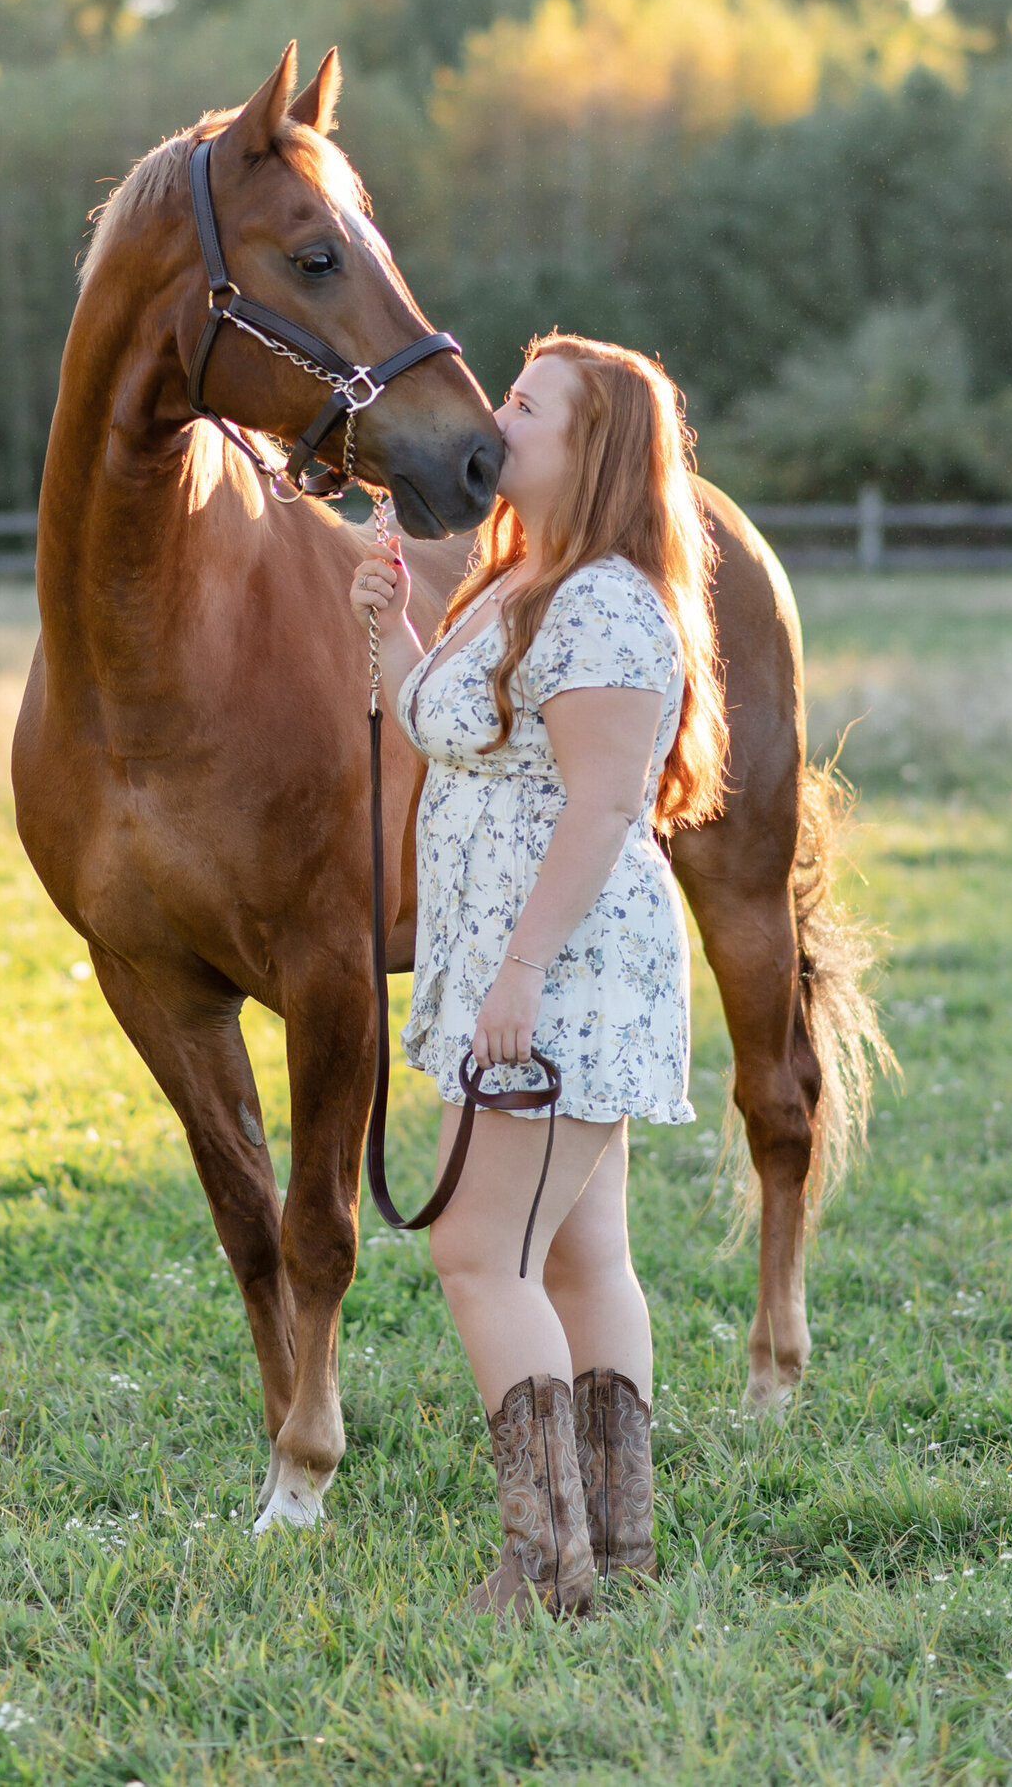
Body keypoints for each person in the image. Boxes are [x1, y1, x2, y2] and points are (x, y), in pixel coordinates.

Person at [348, 330, 728, 1619]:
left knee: (475, 1252)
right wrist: (393, 631)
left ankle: (546, 1563)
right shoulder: (519, 585)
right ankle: (613, 1549)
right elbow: (450, 739)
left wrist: (516, 975)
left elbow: (605, 807)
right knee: (577, 1259)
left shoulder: (610, 604)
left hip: (561, 972)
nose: (496, 421)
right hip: (517, 968)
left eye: (525, 406)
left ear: (595, 450)